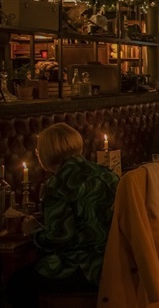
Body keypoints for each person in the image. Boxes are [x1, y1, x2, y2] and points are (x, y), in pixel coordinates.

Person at [5, 123, 119, 308]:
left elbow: (60, 237)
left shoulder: (58, 184)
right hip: (115, 262)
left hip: (84, 268)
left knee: (16, 284)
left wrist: (34, 230)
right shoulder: (106, 173)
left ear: (45, 153)